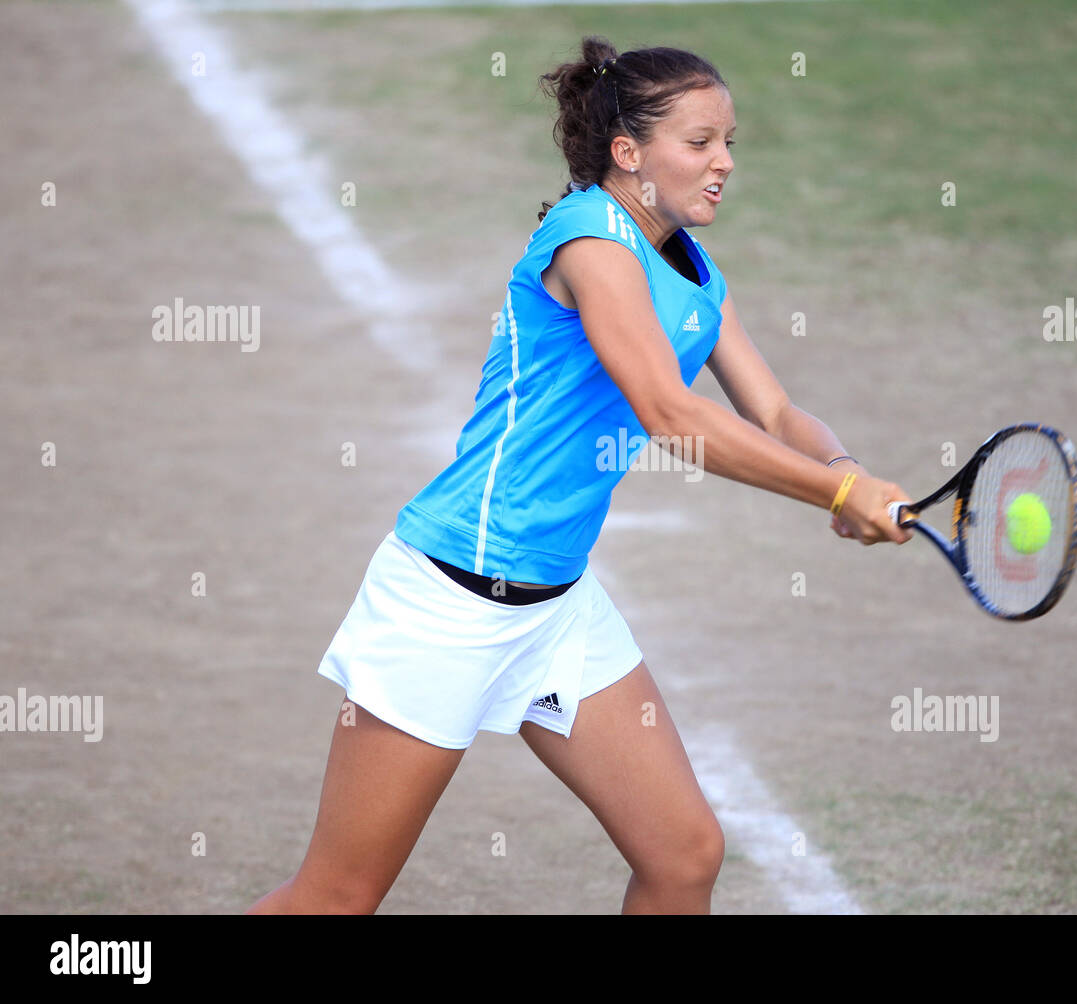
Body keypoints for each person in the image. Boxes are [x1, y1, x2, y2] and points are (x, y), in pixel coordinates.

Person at [248, 35, 910, 917]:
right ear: (628, 153)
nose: (724, 163)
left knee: (683, 857)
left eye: (730, 144)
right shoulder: (589, 239)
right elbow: (672, 416)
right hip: (450, 599)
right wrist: (833, 495)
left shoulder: (693, 269)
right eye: (701, 142)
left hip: (555, 608)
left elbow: (777, 411)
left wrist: (846, 470)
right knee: (336, 898)